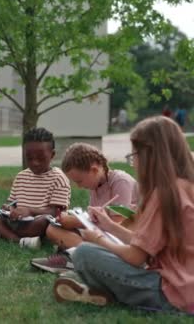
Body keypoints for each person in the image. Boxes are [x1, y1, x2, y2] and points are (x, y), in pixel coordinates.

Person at [54, 116, 194, 313]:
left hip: (172, 295)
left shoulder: (164, 194)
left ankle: (106, 292)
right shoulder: (185, 187)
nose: (133, 161)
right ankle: (100, 291)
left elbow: (136, 257)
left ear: (150, 155)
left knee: (85, 254)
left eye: (134, 154)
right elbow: (146, 244)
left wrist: (100, 239)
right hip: (186, 288)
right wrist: (109, 226)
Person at [31, 143, 137, 273]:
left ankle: (75, 257)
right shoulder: (96, 186)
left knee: (77, 232)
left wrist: (76, 221)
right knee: (52, 228)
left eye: (79, 181)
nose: (79, 186)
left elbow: (118, 224)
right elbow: (95, 220)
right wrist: (72, 220)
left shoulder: (120, 181)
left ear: (94, 170)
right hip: (102, 235)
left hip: (123, 240)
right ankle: (77, 255)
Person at [0, 128, 71, 249]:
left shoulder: (58, 178)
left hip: (36, 223)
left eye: (40, 158)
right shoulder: (22, 176)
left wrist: (30, 211)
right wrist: (9, 208)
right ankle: (18, 240)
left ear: (52, 155)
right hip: (17, 222)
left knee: (45, 222)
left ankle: (1, 234)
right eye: (29, 158)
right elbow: (13, 203)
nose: (35, 163)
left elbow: (56, 213)